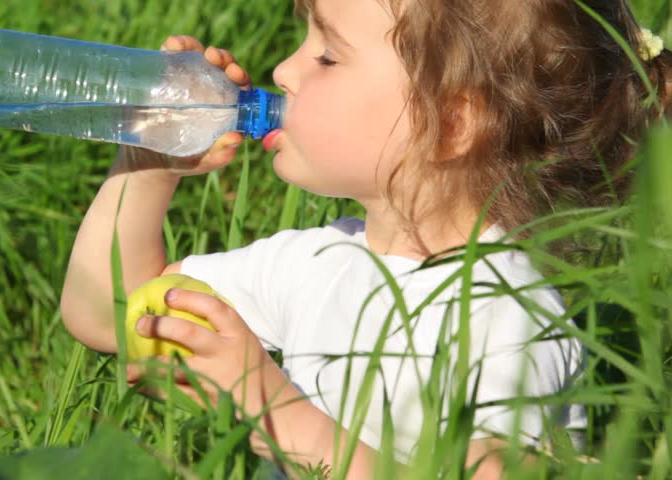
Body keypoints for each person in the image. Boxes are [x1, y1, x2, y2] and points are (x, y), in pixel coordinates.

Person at [60, 0, 670, 478]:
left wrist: (272, 409)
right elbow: (109, 312)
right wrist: (146, 166)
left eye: (328, 56)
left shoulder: (506, 314)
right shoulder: (315, 261)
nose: (282, 70)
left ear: (453, 123)